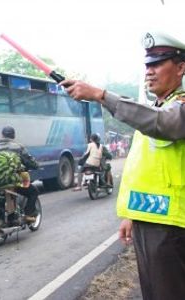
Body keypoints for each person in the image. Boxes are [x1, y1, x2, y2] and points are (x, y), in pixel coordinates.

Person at [60, 31, 185, 299]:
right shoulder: (156, 109)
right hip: (150, 221)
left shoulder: (176, 108)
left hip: (173, 227)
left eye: (157, 63)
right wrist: (132, 214)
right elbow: (144, 169)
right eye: (147, 65)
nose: (149, 72)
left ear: (181, 68)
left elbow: (165, 124)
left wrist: (101, 95)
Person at [0, 126, 39, 223]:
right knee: (33, 191)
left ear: (2, 135)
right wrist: (36, 165)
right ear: (13, 136)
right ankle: (28, 214)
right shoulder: (18, 147)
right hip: (13, 181)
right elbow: (29, 161)